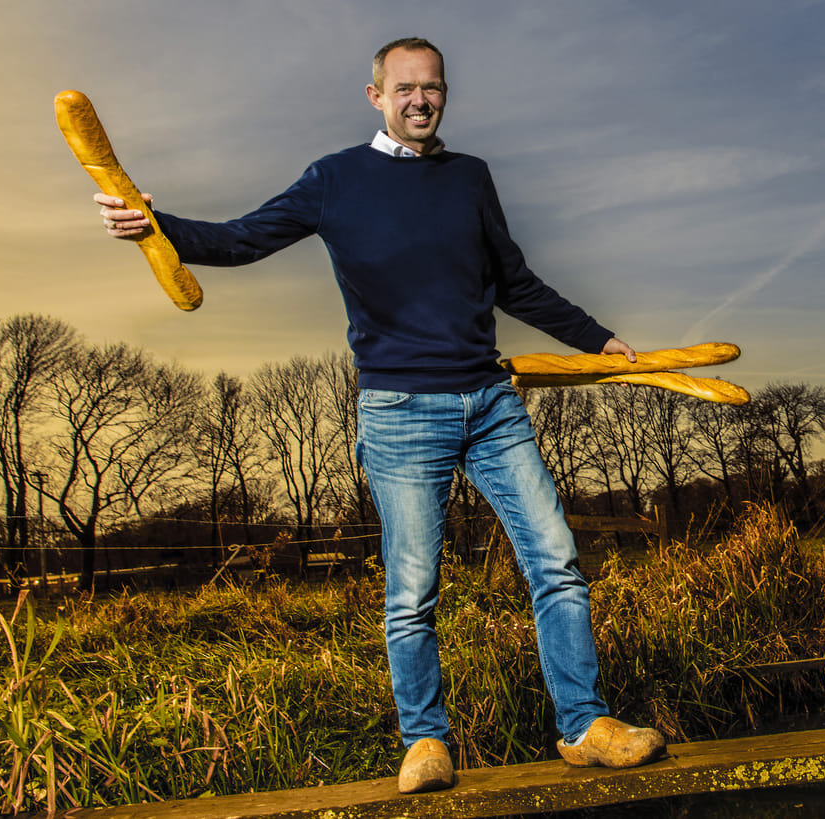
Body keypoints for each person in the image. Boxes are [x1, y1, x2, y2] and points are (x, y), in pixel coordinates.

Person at [96, 36, 666, 794]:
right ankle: (426, 741)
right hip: (400, 412)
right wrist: (153, 222)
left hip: (491, 401)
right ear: (376, 96)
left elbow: (515, 283)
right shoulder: (335, 179)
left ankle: (585, 725)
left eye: (432, 88)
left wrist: (599, 340)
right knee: (412, 588)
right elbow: (242, 238)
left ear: (444, 94)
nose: (420, 100)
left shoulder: (470, 178)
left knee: (556, 561)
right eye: (404, 89)